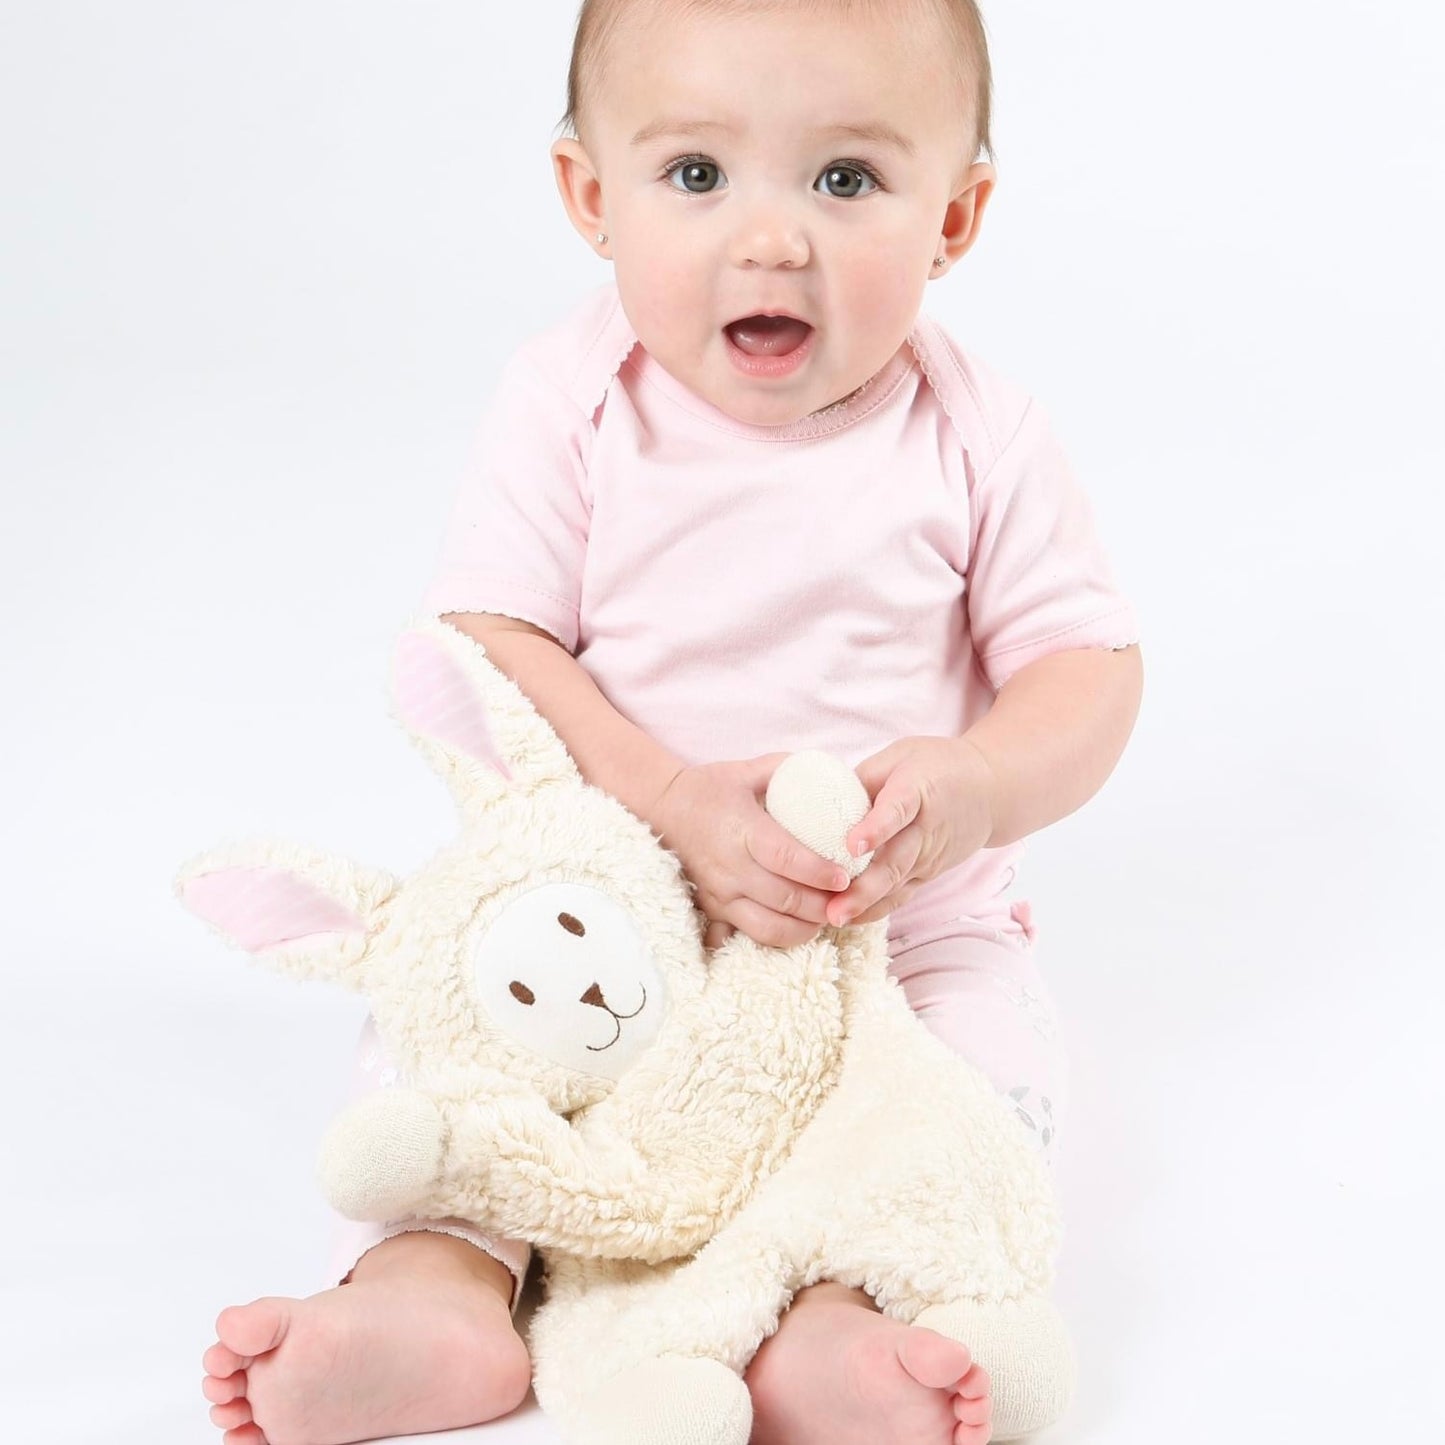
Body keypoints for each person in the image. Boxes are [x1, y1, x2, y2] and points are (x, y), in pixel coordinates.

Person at [200, 1, 1143, 1442]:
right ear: (592, 196)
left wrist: (972, 782)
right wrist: (673, 805)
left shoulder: (978, 434)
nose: (770, 241)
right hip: (604, 910)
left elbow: (1087, 673)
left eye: (844, 179)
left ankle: (835, 1320)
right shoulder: (571, 401)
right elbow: (494, 650)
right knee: (455, 1041)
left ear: (955, 214)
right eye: (696, 175)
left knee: (973, 1085)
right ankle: (436, 1285)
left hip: (886, 934)